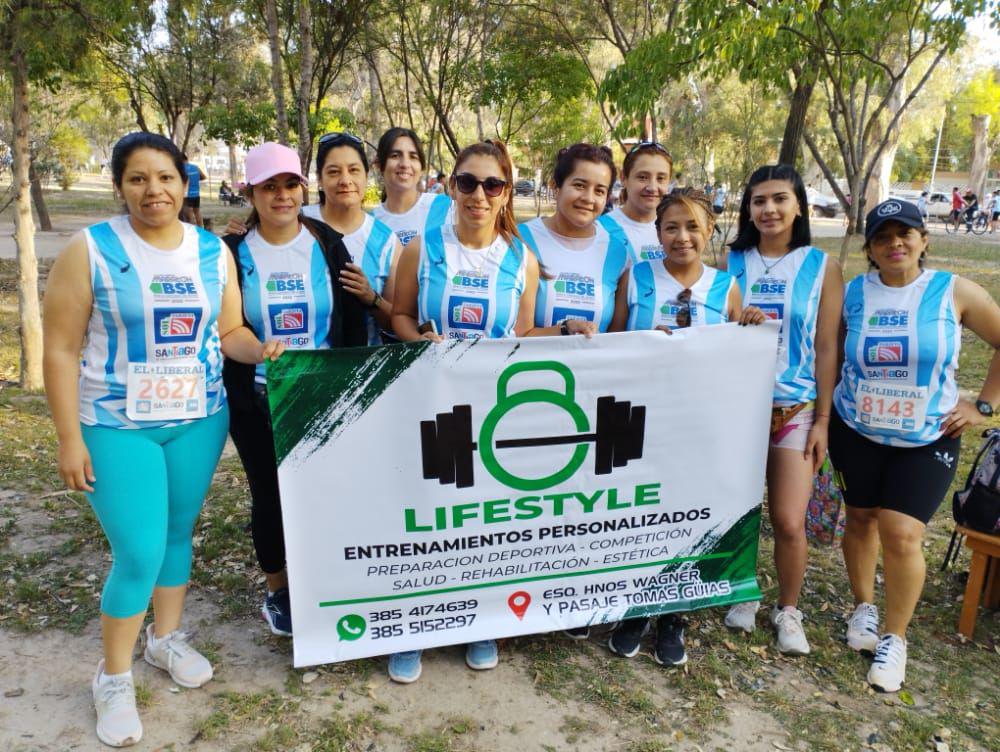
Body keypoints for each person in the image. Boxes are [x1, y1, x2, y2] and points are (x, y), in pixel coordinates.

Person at [42, 132, 282, 748]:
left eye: (166, 178)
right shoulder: (90, 250)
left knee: (177, 534)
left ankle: (164, 640)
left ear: (185, 183)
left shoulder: (211, 252)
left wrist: (260, 349)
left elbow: (229, 329)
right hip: (116, 426)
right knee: (139, 551)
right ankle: (113, 677)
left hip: (199, 420)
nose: (155, 190)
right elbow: (61, 348)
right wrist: (70, 438)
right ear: (121, 186)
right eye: (139, 179)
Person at [389, 140, 592, 683]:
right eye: (468, 183)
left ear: (507, 193)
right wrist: (418, 342)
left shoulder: (521, 259)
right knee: (425, 514)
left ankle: (479, 618)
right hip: (429, 402)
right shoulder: (420, 249)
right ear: (451, 186)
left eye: (493, 185)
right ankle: (414, 625)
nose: (479, 195)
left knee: (478, 520)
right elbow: (400, 316)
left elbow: (522, 334)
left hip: (493, 411)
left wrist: (565, 330)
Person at [830, 199, 1000, 692]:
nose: (895, 244)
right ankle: (863, 608)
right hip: (855, 427)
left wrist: (984, 406)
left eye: (906, 234)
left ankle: (895, 637)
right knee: (860, 519)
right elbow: (827, 349)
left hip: (926, 437)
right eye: (883, 236)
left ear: (924, 240)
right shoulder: (854, 293)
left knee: (902, 534)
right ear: (870, 248)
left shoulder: (953, 291)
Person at [604, 187, 766, 665]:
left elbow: (741, 353)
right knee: (641, 515)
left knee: (686, 517)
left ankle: (675, 614)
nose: (682, 237)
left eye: (693, 226)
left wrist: (751, 323)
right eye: (671, 227)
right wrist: (639, 342)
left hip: (700, 423)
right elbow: (611, 341)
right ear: (657, 232)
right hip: (639, 420)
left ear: (710, 231)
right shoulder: (636, 278)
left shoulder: (725, 287)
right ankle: (636, 607)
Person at [222, 141, 369, 639]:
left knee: (328, 493)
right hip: (258, 398)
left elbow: (350, 313)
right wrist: (261, 351)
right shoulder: (232, 252)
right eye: (269, 187)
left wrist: (349, 383)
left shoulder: (327, 242)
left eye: (290, 185)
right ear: (251, 192)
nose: (281, 196)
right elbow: (227, 328)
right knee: (270, 494)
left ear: (302, 188)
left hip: (324, 394)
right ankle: (279, 590)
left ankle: (326, 581)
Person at [723, 164, 844, 656]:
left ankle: (788, 609)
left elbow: (826, 346)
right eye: (758, 200)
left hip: (794, 405)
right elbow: (717, 326)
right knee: (742, 509)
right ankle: (743, 590)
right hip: (737, 404)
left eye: (779, 199)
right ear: (748, 209)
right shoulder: (731, 262)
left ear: (799, 206)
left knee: (789, 519)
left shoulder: (821, 266)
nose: (768, 209)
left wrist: (822, 420)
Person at [517, 143, 627, 335]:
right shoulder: (520, 239)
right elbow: (516, 335)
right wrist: (564, 330)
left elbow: (616, 339)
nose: (588, 198)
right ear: (555, 186)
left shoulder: (617, 253)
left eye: (599, 191)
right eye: (579, 185)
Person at [371, 127, 453, 247]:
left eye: (413, 157)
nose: (405, 164)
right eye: (395, 155)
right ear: (379, 165)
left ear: (422, 167)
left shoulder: (445, 208)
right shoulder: (370, 223)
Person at [597, 142, 673, 265]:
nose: (652, 187)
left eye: (660, 178)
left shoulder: (677, 229)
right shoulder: (600, 230)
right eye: (642, 177)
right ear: (623, 178)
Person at [183, 158, 208, 227]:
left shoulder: (182, 168)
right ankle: (201, 229)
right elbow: (204, 177)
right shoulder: (196, 167)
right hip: (196, 194)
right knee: (197, 213)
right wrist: (195, 178)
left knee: (189, 215)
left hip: (187, 195)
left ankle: (191, 231)